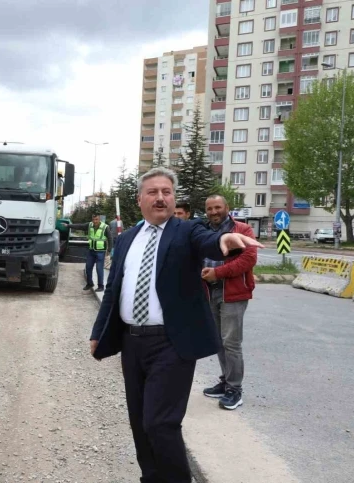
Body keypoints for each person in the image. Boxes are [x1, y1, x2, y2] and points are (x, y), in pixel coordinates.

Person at [89, 167, 263, 483]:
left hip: (171, 343)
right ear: (140, 199)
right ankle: (151, 478)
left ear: (173, 198)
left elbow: (209, 240)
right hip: (132, 343)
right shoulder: (127, 238)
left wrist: (225, 238)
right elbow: (114, 288)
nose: (160, 198)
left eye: (166, 192)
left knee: (160, 423)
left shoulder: (186, 230)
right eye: (153, 192)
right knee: (140, 421)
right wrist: (98, 332)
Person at [201, 195, 257, 410]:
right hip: (208, 291)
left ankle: (235, 389)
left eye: (217, 207)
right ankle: (226, 381)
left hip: (232, 292)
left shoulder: (242, 230)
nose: (214, 212)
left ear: (227, 208)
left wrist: (218, 272)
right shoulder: (204, 230)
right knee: (218, 341)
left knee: (231, 342)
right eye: (209, 208)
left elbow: (249, 259)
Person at [66, 214, 112, 293]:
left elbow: (110, 238)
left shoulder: (105, 227)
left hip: (100, 251)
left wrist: (110, 250)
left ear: (99, 219)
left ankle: (101, 286)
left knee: (99, 269)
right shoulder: (89, 225)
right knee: (88, 267)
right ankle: (90, 283)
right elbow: (79, 226)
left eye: (96, 219)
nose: (95, 221)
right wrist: (68, 225)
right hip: (91, 251)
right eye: (93, 220)